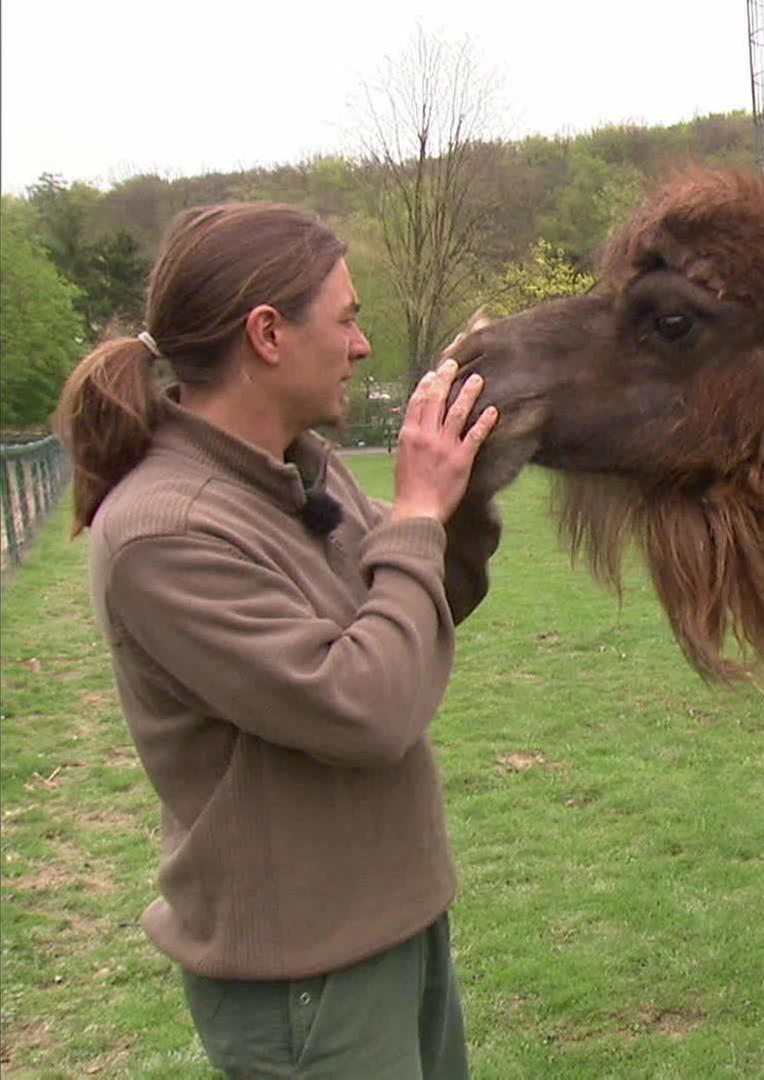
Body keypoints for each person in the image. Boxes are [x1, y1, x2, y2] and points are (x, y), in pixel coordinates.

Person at [51, 201, 502, 1079]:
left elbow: (420, 601)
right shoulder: (164, 531)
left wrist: (462, 486)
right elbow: (366, 707)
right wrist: (416, 512)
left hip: (393, 925)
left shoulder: (301, 470)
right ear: (267, 334)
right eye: (346, 319)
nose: (362, 346)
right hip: (307, 977)